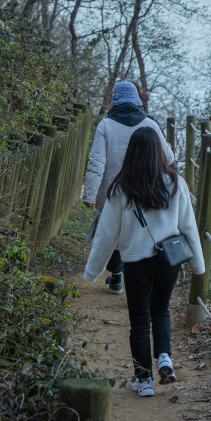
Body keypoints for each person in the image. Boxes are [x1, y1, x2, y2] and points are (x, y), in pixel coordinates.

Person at [82, 127, 205, 397]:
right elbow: (189, 227)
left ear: (132, 152)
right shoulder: (176, 183)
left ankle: (144, 380)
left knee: (139, 322)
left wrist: (92, 271)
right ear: (160, 151)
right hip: (168, 261)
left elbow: (106, 235)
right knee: (161, 310)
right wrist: (198, 265)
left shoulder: (121, 188)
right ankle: (164, 357)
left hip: (136, 263)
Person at [83, 81, 173, 294]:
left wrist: (89, 195)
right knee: (140, 234)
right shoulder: (150, 124)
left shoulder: (105, 125)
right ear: (136, 100)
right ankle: (138, 283)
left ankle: (116, 276)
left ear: (115, 101)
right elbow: (168, 158)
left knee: (112, 234)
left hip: (112, 193)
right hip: (144, 191)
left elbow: (97, 163)